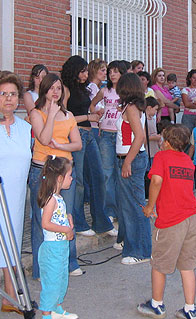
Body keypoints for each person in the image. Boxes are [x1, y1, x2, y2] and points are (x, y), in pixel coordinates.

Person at [138, 124, 196, 319]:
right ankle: (190, 309)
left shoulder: (161, 157)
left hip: (171, 220)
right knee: (187, 265)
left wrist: (150, 206)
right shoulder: (187, 161)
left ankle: (157, 304)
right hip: (192, 217)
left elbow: (156, 181)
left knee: (159, 263)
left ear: (166, 142)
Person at [0, 71, 32, 314]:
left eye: (13, 94)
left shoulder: (26, 128)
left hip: (15, 198)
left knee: (12, 242)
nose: (9, 99)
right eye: (4, 94)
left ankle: (10, 298)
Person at [29, 73, 83, 279]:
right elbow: (43, 138)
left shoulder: (68, 115)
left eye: (58, 88)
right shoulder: (36, 113)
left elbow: (77, 144)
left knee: (67, 215)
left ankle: (70, 262)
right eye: (51, 87)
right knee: (40, 219)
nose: (55, 91)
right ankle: (40, 268)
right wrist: (51, 114)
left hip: (65, 170)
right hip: (42, 170)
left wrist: (61, 146)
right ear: (44, 89)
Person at [62, 55, 116, 238]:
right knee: (78, 183)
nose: (86, 74)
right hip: (76, 133)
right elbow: (64, 117)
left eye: (86, 71)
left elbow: (87, 109)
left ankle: (101, 221)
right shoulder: (66, 89)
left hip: (90, 135)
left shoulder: (84, 89)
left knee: (98, 177)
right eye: (83, 71)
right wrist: (88, 117)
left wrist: (94, 112)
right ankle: (78, 221)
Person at [114, 72, 151, 265]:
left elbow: (139, 136)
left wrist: (127, 162)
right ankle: (133, 246)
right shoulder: (132, 107)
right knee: (129, 205)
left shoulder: (131, 108)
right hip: (129, 158)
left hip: (131, 159)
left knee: (134, 206)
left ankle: (141, 250)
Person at [37, 156, 79, 319]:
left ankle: (57, 308)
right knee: (52, 282)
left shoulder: (59, 198)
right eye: (69, 176)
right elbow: (46, 224)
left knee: (61, 279)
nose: (72, 179)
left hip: (61, 247)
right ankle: (46, 316)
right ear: (60, 179)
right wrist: (66, 229)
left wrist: (68, 219)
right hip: (52, 248)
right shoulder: (50, 200)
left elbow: (58, 218)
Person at [89, 60, 126, 236]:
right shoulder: (105, 91)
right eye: (110, 71)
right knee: (107, 173)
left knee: (121, 173)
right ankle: (110, 211)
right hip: (106, 134)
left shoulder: (126, 92)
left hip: (121, 135)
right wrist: (97, 112)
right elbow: (93, 105)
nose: (112, 74)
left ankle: (121, 208)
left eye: (116, 72)